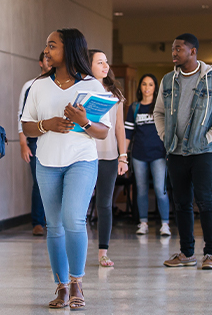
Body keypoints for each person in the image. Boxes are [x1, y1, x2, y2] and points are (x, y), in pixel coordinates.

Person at [21, 28, 110, 310]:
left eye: (52, 46)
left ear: (69, 49)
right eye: (47, 46)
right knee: (54, 226)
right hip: (47, 161)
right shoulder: (38, 85)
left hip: (80, 160)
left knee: (73, 219)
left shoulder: (93, 87)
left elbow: (103, 132)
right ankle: (61, 287)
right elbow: (26, 126)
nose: (46, 51)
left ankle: (76, 282)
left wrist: (83, 121)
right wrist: (47, 125)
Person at [154, 33, 212, 270]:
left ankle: (211, 254)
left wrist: (209, 137)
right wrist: (164, 136)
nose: (174, 52)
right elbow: (158, 112)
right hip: (176, 151)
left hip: (204, 152)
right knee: (181, 203)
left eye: (178, 48)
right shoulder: (167, 80)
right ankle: (187, 252)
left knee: (205, 201)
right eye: (172, 48)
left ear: (193, 52)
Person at [88, 49, 128, 268]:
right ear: (88, 65)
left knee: (104, 204)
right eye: (99, 62)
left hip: (109, 156)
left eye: (106, 62)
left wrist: (123, 157)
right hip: (84, 156)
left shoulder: (115, 94)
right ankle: (73, 252)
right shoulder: (82, 90)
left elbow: (120, 127)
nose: (106, 66)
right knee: (80, 206)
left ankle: (103, 252)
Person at [123, 74, 170, 236]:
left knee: (160, 189)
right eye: (144, 84)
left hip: (158, 155)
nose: (147, 87)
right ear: (140, 87)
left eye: (151, 84)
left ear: (155, 88)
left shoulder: (161, 107)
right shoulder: (134, 108)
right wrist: (123, 155)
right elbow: (127, 134)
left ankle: (165, 223)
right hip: (138, 155)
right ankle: (143, 223)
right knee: (141, 189)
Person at [18, 51, 51, 236]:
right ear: (40, 63)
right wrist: (22, 141)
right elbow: (21, 115)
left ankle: (53, 221)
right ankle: (38, 222)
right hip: (34, 141)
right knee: (39, 182)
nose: (50, 61)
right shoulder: (30, 86)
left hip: (55, 139)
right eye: (46, 58)